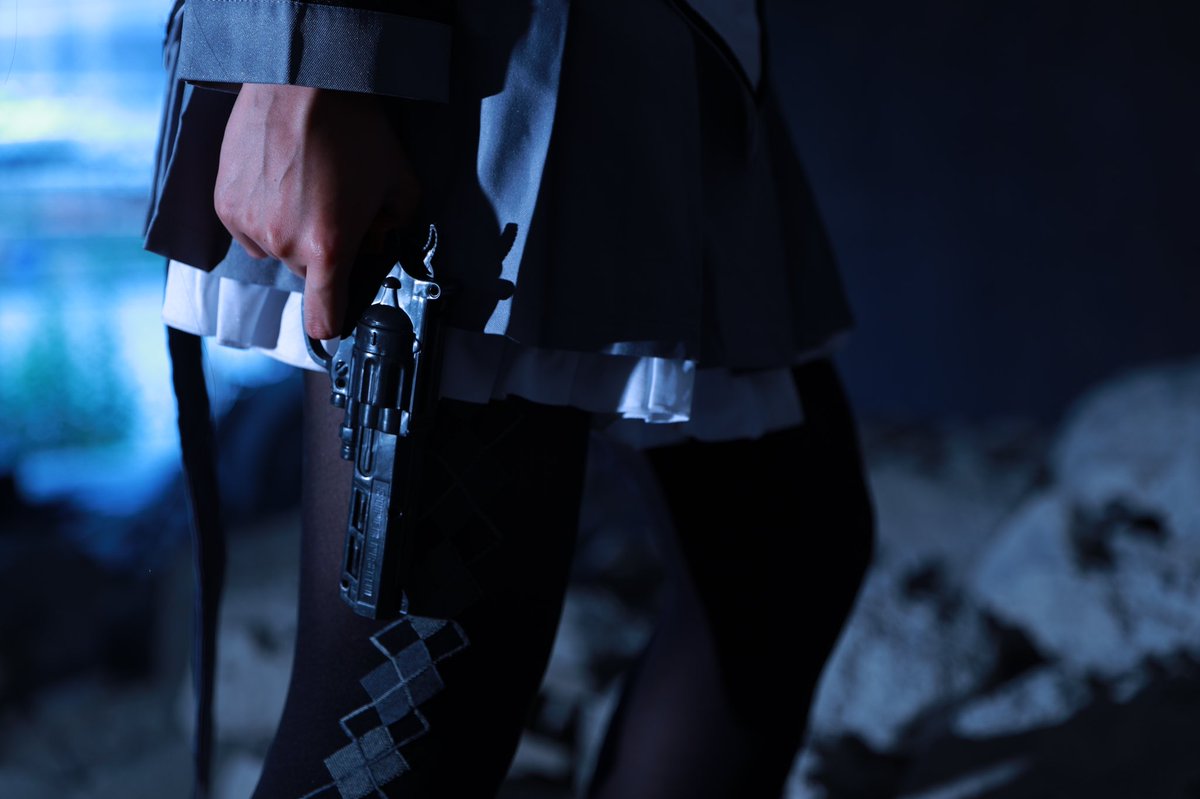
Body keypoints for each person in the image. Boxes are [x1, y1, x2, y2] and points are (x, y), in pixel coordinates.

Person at [147, 0, 876, 797]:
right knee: (411, 693)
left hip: (672, 54)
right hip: (459, 63)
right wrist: (303, 56)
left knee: (786, 555)